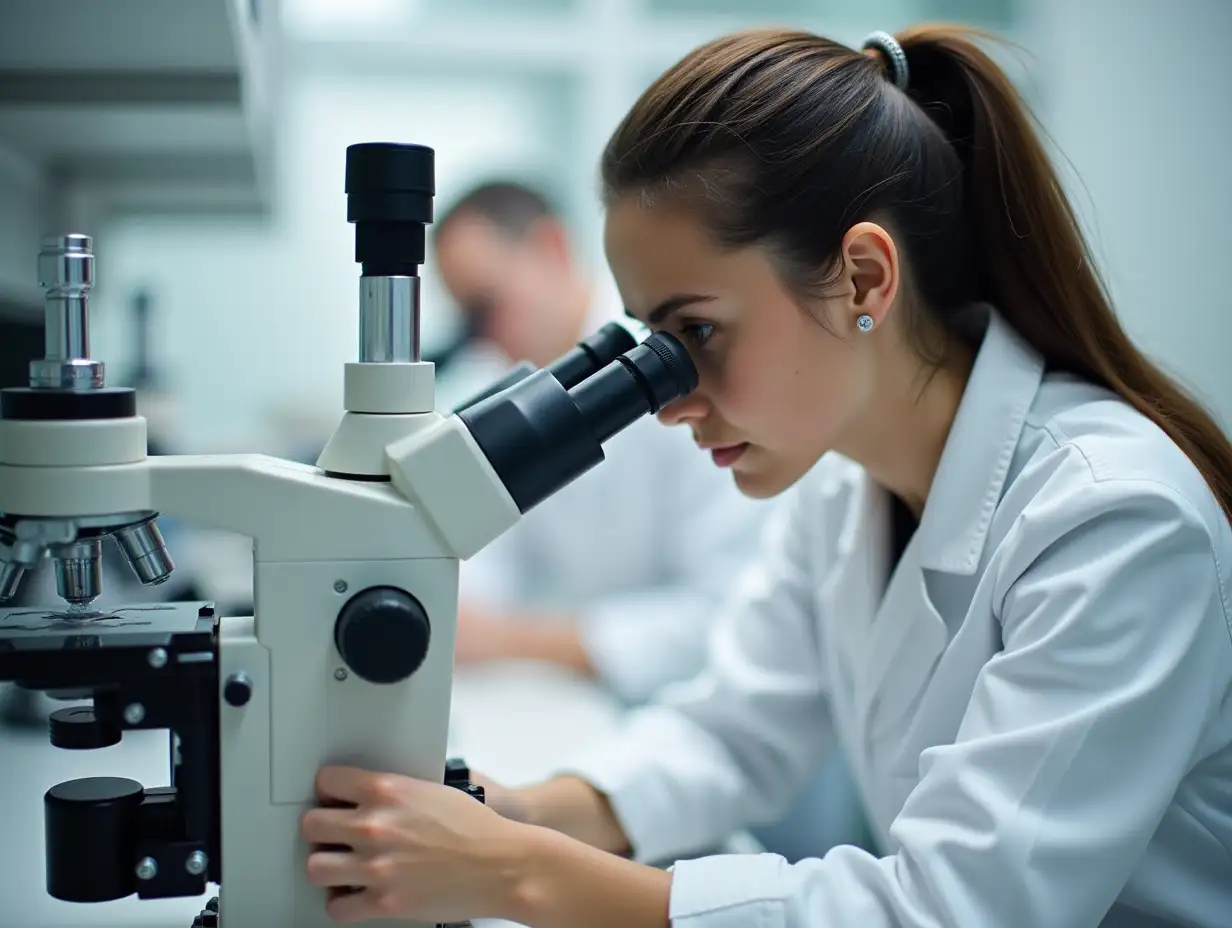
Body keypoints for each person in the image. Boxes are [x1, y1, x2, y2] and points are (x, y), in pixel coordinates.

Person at [299, 25, 1232, 928]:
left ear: (865, 278)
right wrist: (527, 812)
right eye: (651, 346)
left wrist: (512, 873)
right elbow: (732, 732)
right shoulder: (840, 491)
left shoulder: (1115, 518)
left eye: (696, 332)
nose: (667, 404)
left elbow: (949, 911)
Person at [427, 180, 776, 707]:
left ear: (551, 248)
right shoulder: (525, 390)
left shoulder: (674, 374)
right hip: (610, 710)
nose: (482, 336)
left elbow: (724, 611)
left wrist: (510, 639)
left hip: (714, 709)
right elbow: (491, 560)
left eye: (486, 304)